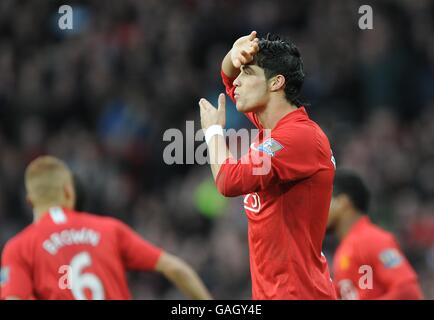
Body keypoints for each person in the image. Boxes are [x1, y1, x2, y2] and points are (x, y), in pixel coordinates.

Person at [198, 31, 336, 299]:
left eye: (247, 73)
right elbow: (228, 80)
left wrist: (214, 132)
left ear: (276, 83)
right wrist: (233, 55)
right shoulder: (276, 127)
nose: (238, 81)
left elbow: (228, 180)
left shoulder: (299, 138)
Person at [0, 156, 212, 300]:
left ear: (29, 201)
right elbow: (176, 268)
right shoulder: (109, 229)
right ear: (68, 191)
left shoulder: (19, 247)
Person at [328, 169, 424, 300]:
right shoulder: (344, 250)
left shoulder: (372, 239)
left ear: (343, 202)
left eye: (326, 200)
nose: (320, 209)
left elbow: (408, 290)